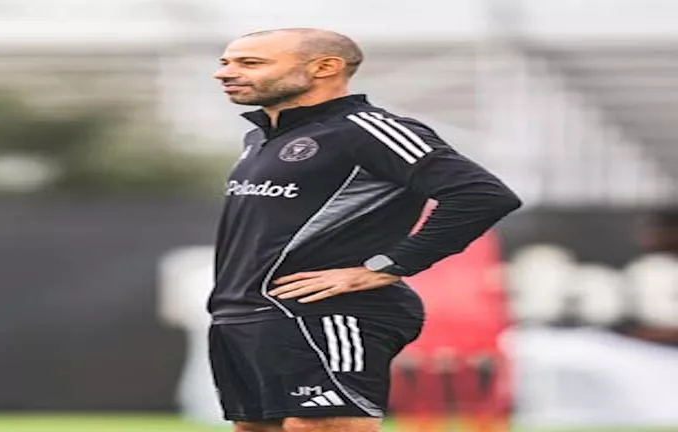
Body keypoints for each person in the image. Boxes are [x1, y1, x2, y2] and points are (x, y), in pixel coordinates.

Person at [208, 28, 521, 432]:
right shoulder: (260, 137)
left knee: (321, 427)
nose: (224, 73)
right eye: (226, 62)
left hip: (326, 310)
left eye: (250, 63)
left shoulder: (365, 129)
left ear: (325, 67)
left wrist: (387, 266)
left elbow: (482, 195)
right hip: (243, 315)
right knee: (257, 428)